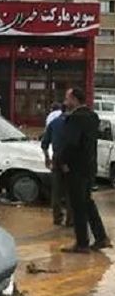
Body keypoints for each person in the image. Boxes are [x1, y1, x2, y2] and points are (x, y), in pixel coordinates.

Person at [58, 87, 111, 253]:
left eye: (67, 98)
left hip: (75, 168)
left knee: (78, 205)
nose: (65, 102)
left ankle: (82, 243)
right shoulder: (92, 116)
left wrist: (63, 161)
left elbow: (71, 143)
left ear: (74, 99)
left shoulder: (76, 118)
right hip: (89, 167)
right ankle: (101, 237)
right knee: (87, 202)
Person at [41, 106, 73, 226]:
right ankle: (70, 220)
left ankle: (57, 218)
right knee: (70, 191)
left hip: (56, 159)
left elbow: (44, 144)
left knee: (56, 192)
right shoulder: (73, 124)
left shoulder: (54, 123)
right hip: (70, 161)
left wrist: (47, 158)